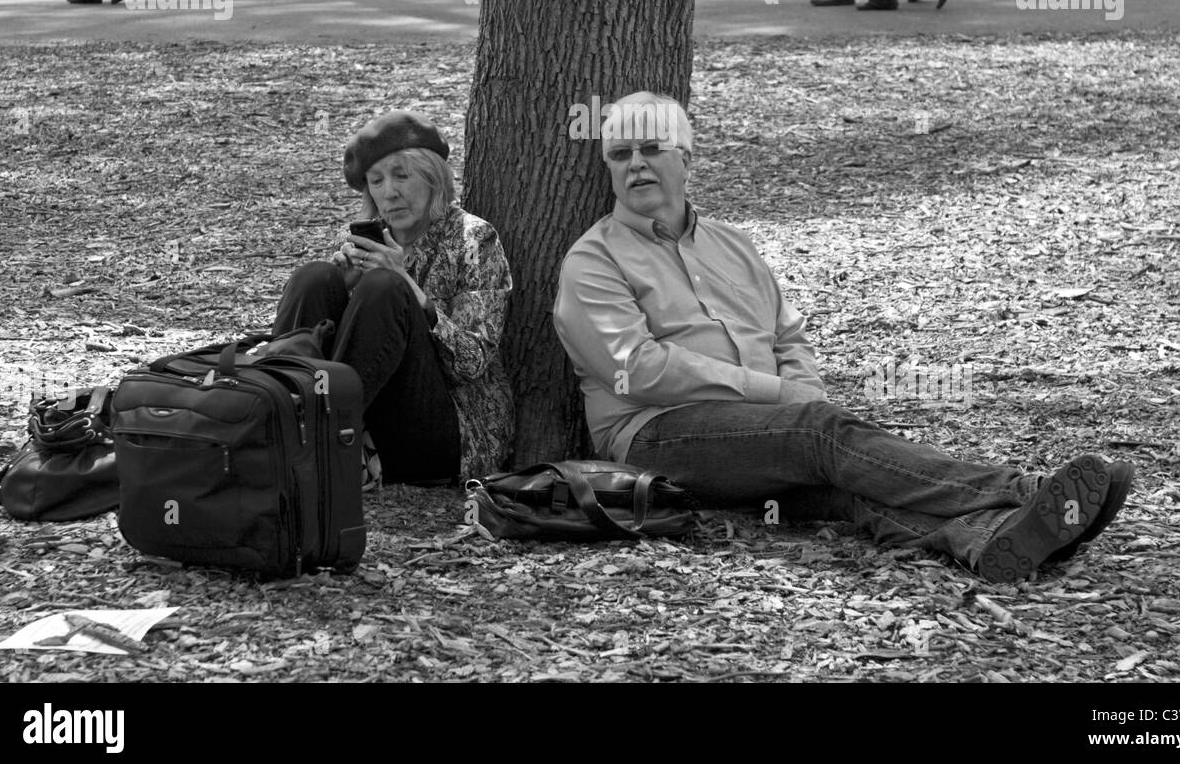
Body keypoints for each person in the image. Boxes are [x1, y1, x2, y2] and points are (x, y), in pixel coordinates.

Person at [553, 92, 1134, 583]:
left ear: (686, 158)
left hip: (765, 434)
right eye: (620, 155)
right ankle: (1022, 491)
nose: (636, 166)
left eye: (651, 149)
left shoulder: (732, 244)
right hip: (656, 435)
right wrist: (784, 398)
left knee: (845, 486)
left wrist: (801, 390)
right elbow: (641, 368)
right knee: (822, 436)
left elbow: (787, 336)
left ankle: (992, 540)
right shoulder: (594, 259)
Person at [273, 111, 514, 486]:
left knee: (386, 288)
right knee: (316, 278)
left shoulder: (474, 239)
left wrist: (407, 285)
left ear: (433, 178)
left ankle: (314, 445)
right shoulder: (368, 240)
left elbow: (473, 362)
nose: (390, 192)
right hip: (369, 424)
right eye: (376, 181)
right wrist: (345, 284)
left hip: (447, 434)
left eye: (402, 175)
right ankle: (277, 424)